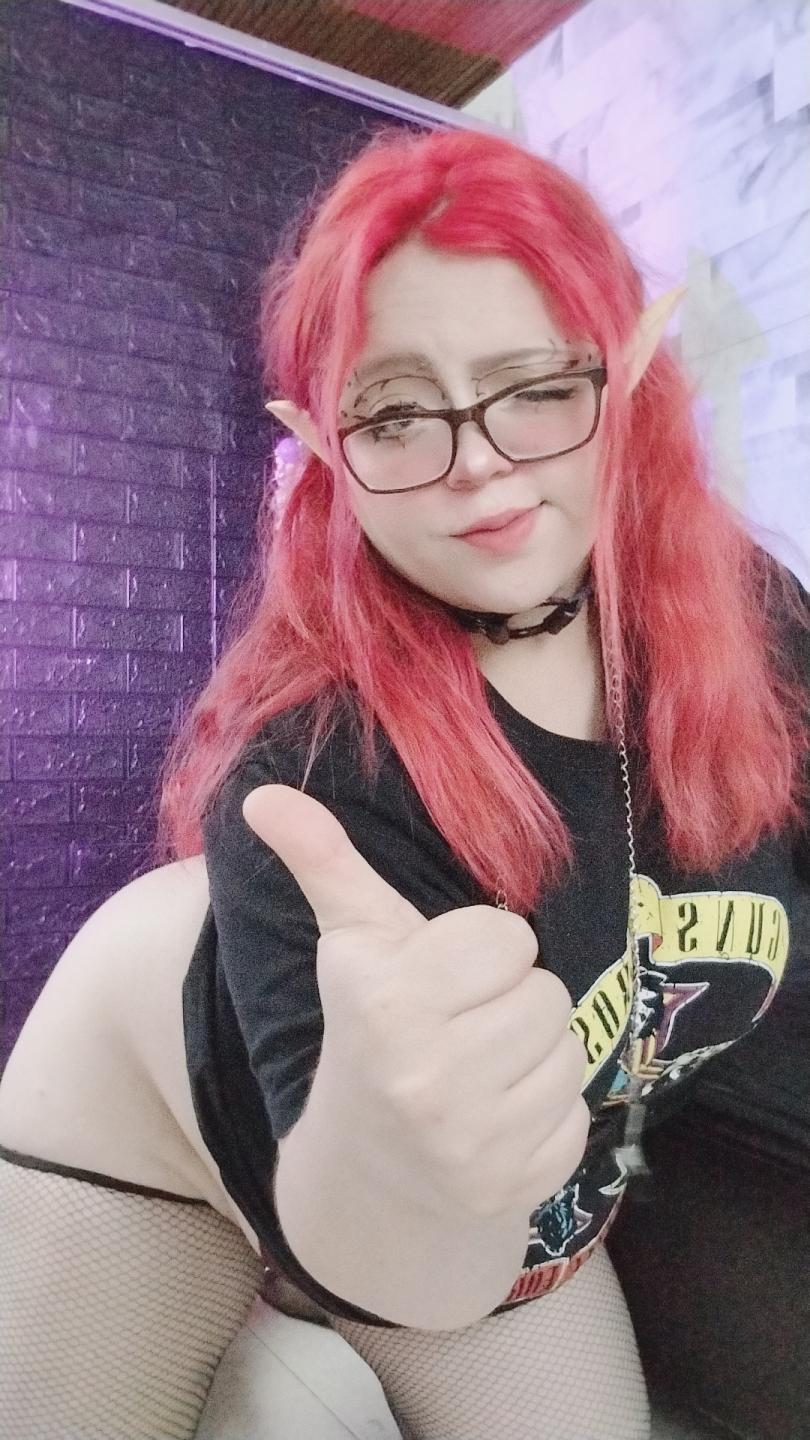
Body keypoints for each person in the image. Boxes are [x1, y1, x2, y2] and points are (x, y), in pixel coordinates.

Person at [1, 123, 808, 1440]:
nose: (477, 459)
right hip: (151, 1100)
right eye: (393, 413)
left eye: (531, 387)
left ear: (628, 369)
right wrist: (384, 1156)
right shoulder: (314, 772)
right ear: (323, 445)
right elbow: (404, 1264)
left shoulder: (746, 622)